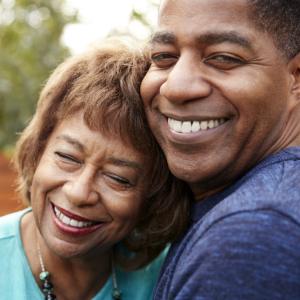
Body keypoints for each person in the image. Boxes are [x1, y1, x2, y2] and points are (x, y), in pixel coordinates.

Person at [0, 38, 191, 300]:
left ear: (154, 199)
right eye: (68, 157)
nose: (79, 193)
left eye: (117, 178)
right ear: (38, 150)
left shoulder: (170, 275)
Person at [141, 0, 300, 299]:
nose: (175, 87)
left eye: (223, 58)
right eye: (163, 56)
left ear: (296, 77)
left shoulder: (254, 237)